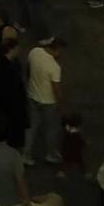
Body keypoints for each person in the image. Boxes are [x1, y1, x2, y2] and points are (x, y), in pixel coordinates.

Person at [25, 38, 64, 169]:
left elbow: (28, 69)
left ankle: (26, 155)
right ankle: (51, 154)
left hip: (32, 95)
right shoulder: (54, 67)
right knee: (51, 128)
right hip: (48, 101)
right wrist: (60, 105)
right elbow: (56, 89)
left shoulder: (34, 52)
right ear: (57, 49)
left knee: (31, 127)